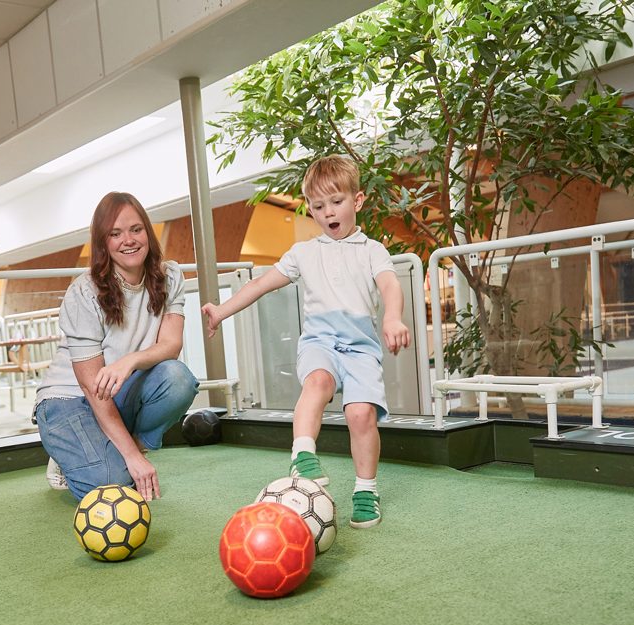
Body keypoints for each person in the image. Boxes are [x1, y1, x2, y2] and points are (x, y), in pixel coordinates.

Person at [202, 155, 411, 529]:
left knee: (359, 414)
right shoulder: (303, 253)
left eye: (336, 202)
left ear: (357, 201)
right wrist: (220, 311)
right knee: (317, 382)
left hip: (361, 347)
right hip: (320, 340)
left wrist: (393, 317)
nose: (328, 212)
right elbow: (259, 285)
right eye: (318, 206)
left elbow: (389, 285)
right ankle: (302, 454)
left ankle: (366, 490)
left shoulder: (372, 251)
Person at [35, 192, 199, 501]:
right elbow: (90, 387)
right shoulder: (84, 292)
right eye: (115, 233)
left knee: (178, 379)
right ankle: (71, 454)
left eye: (136, 229)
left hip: (120, 388)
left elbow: (171, 345)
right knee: (113, 485)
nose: (129, 240)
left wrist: (131, 360)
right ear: (103, 243)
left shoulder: (170, 276)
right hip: (68, 399)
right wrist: (133, 461)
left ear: (147, 232)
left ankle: (118, 449)